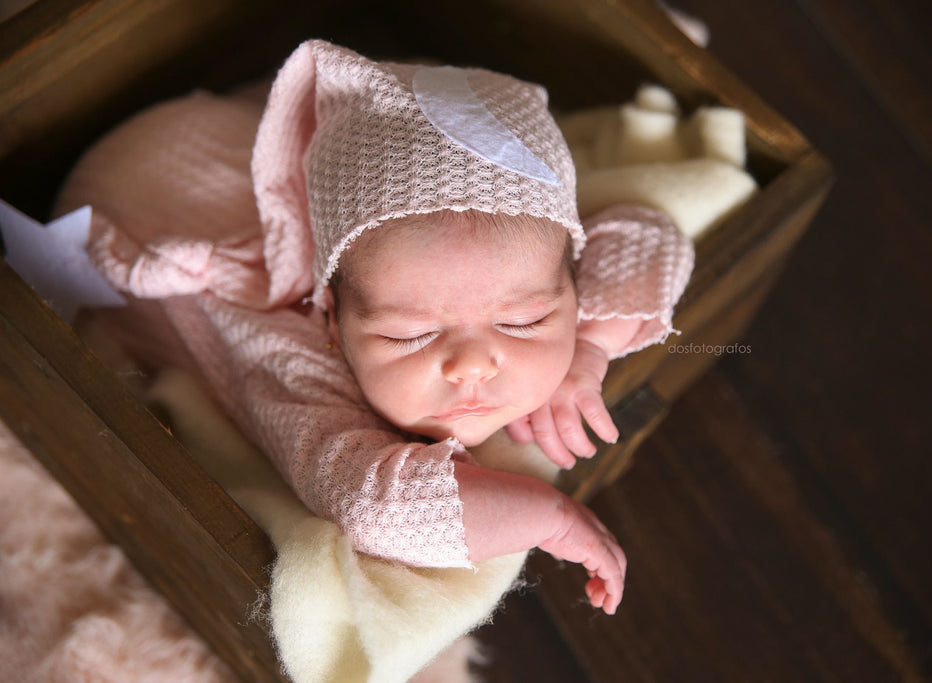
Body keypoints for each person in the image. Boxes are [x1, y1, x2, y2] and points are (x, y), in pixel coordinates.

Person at [58, 40, 694, 616]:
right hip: (134, 184)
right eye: (409, 335)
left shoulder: (524, 249)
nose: (473, 364)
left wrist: (589, 349)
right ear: (332, 322)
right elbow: (367, 501)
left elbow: (644, 232)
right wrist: (548, 516)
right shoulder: (291, 367)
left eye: (525, 321)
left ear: (571, 286)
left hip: (214, 143)